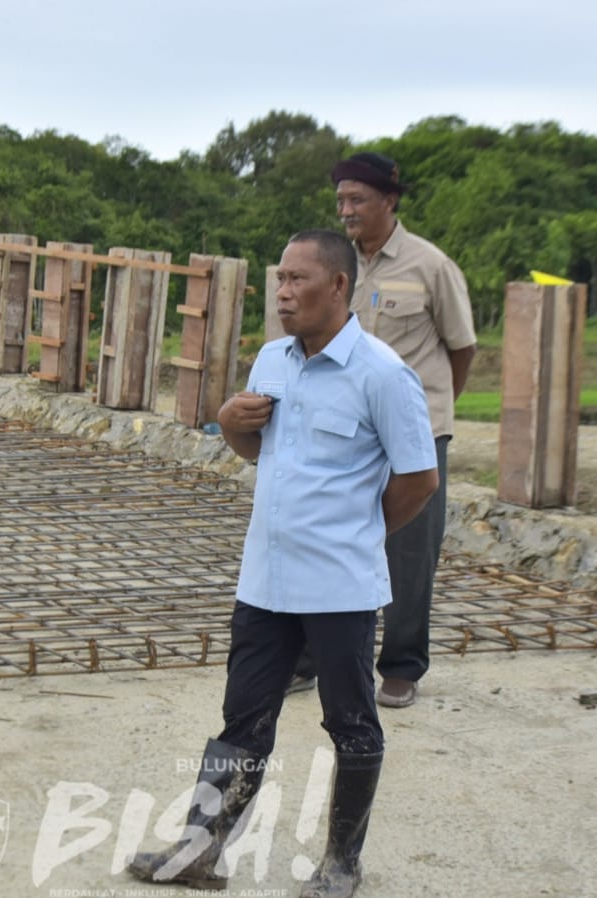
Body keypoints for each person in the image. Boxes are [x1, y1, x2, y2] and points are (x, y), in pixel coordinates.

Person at [126, 229, 438, 897]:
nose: (284, 293)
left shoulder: (383, 375)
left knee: (351, 722)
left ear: (339, 286)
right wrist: (230, 421)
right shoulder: (272, 358)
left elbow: (419, 479)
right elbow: (255, 450)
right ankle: (200, 852)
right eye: (281, 280)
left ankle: (342, 864)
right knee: (243, 719)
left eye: (299, 280)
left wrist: (357, 533)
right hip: (265, 581)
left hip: (340, 588)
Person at [289, 153, 477, 708]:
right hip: (344, 428)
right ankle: (307, 660)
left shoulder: (430, 265)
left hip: (413, 431)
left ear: (390, 201)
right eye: (341, 200)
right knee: (326, 538)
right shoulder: (333, 262)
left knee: (409, 551)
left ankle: (400, 666)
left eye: (358, 200)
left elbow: (463, 348)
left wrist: (428, 417)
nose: (346, 210)